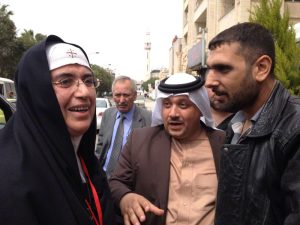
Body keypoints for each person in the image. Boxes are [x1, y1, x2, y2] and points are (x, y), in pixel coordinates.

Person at [0, 35, 116, 225]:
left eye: (88, 81)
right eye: (65, 81)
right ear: (38, 91)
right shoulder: (10, 177)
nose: (84, 92)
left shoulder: (84, 158)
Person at [205, 22, 300, 225]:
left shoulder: (294, 129)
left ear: (261, 68)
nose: (209, 81)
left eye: (223, 69)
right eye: (210, 69)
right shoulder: (233, 126)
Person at [109, 73, 225, 225]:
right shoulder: (139, 141)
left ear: (200, 108)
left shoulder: (224, 144)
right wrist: (125, 198)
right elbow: (115, 183)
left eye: (183, 105)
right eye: (167, 105)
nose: (173, 114)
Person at [95, 76, 151, 177]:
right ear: (112, 95)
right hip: (103, 177)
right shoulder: (108, 114)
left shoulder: (148, 118)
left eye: (126, 95)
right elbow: (101, 146)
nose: (121, 100)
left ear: (134, 96)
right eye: (117, 95)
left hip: (129, 182)